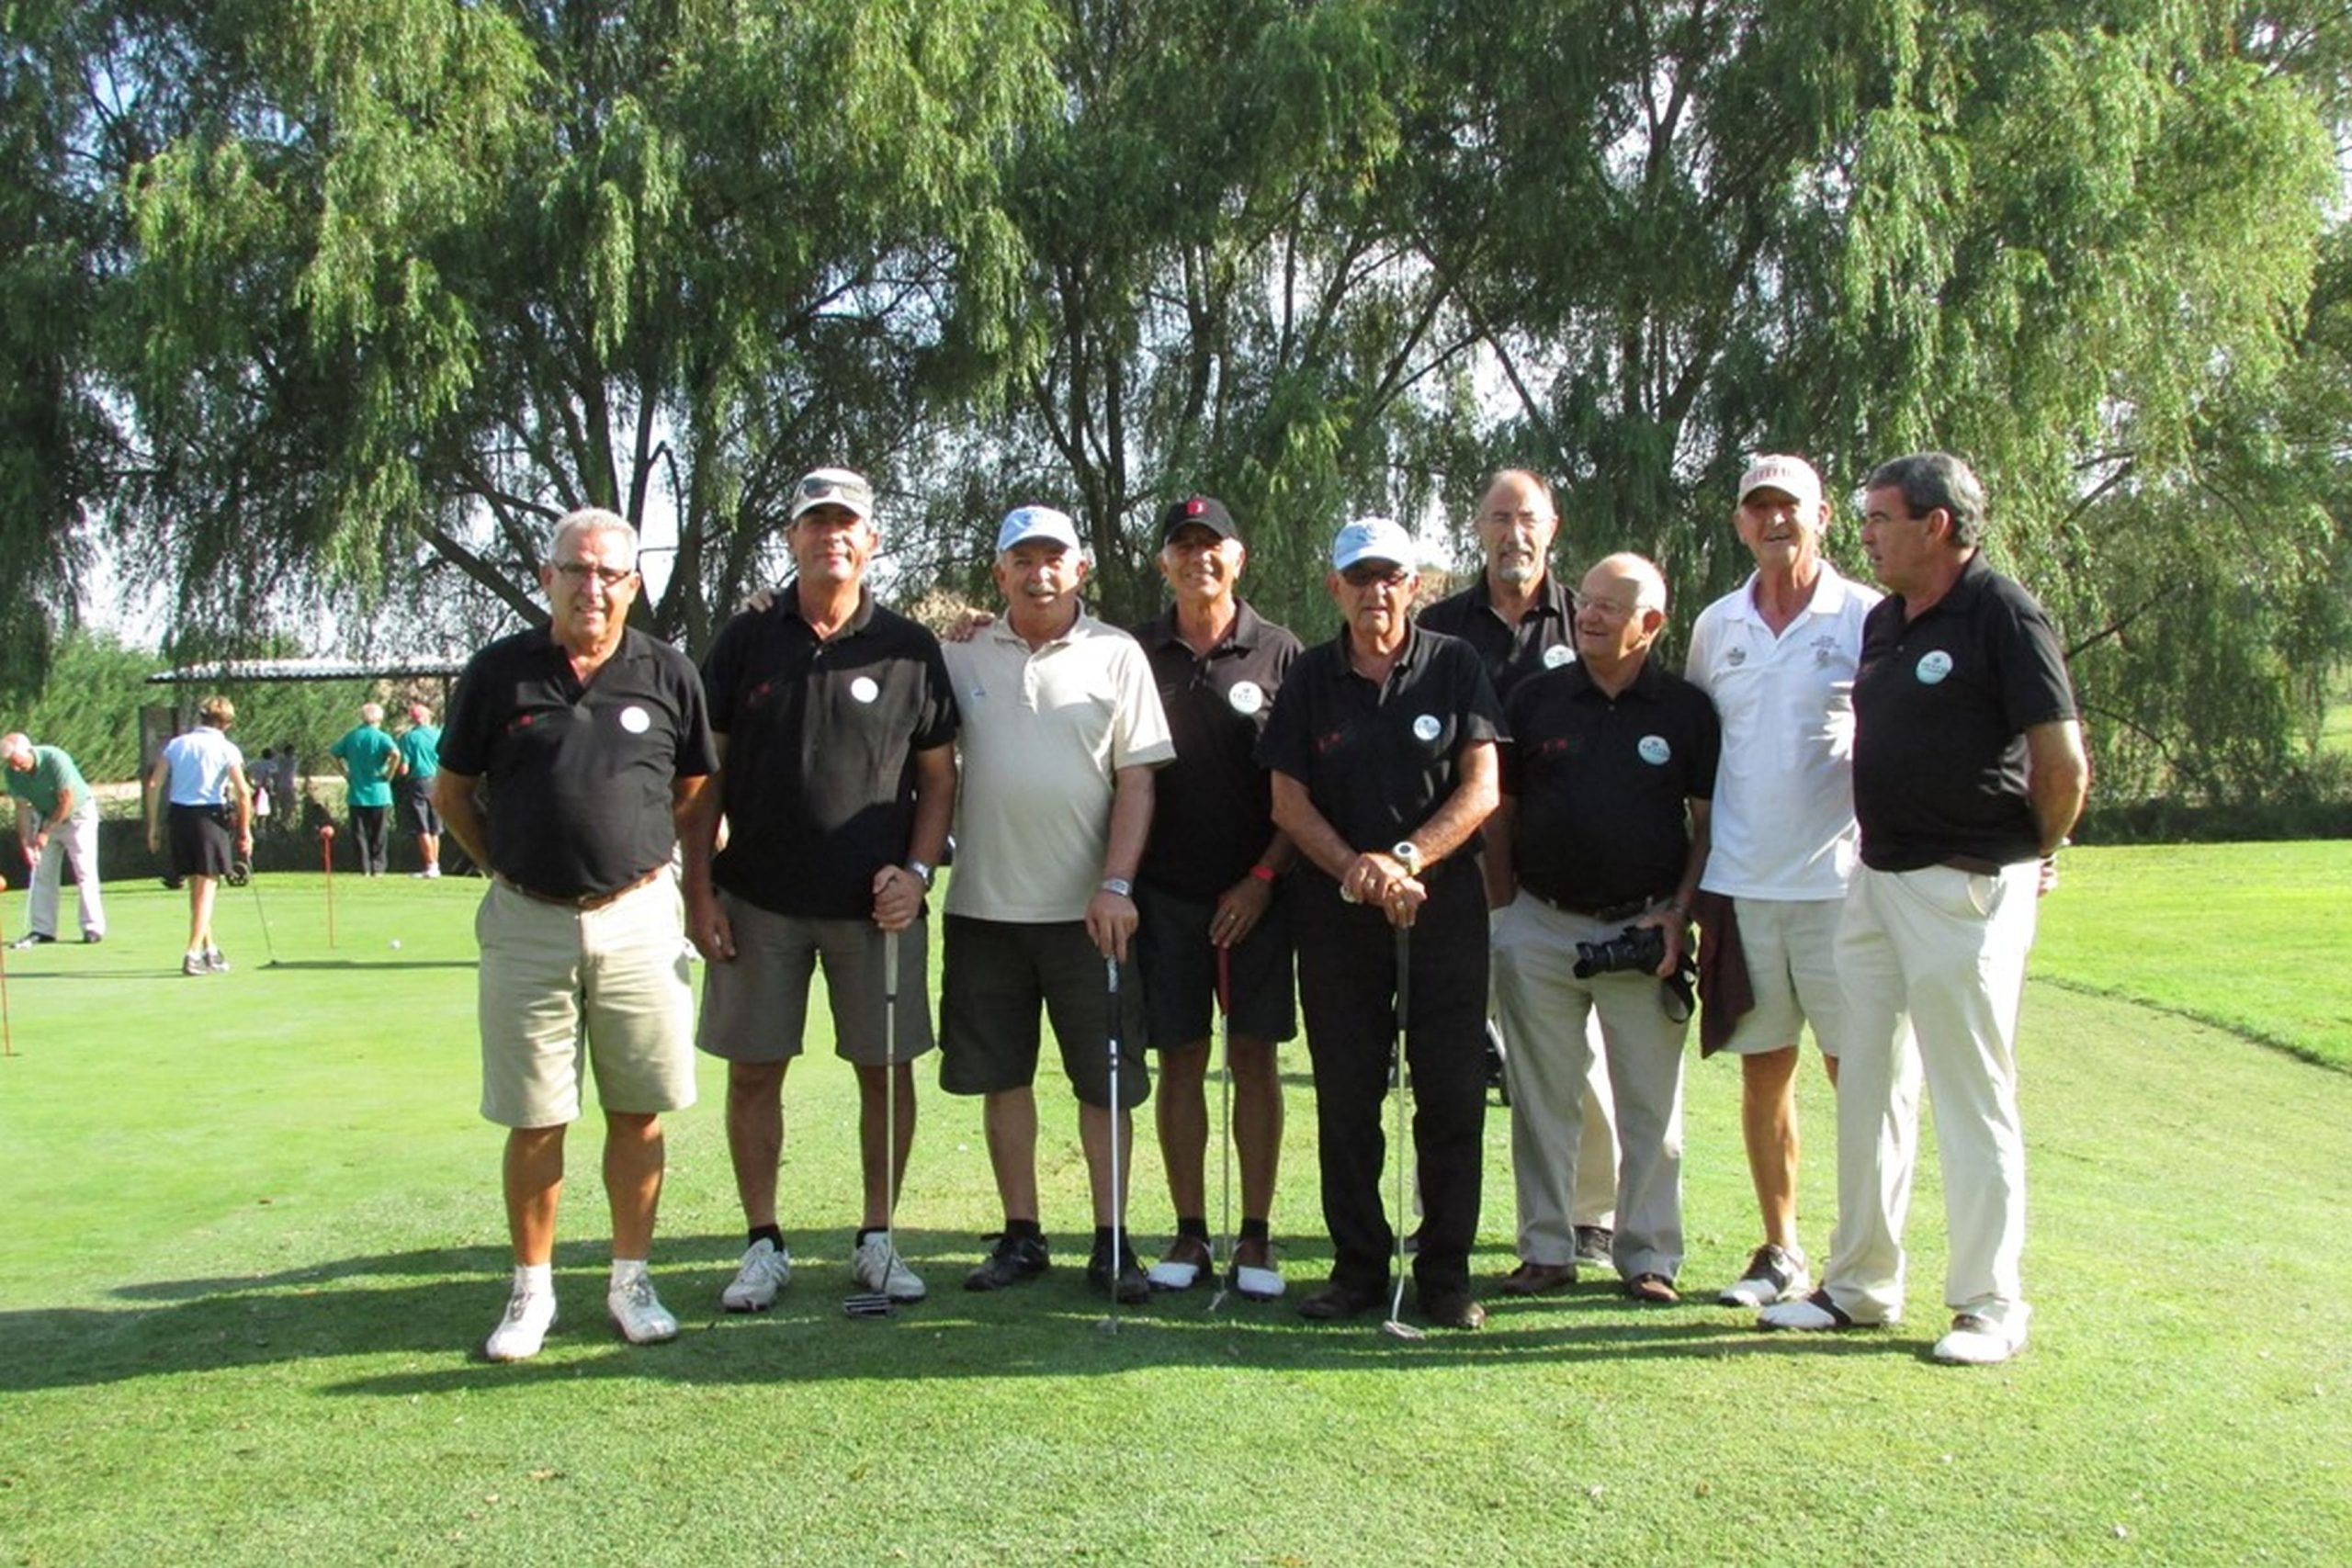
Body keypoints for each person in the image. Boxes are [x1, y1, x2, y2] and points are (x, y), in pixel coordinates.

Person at [1759, 452, 2088, 1366]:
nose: (1864, 533)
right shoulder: (1886, 620)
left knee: (1970, 1092)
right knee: (1868, 1082)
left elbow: (2061, 763)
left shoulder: (2002, 613)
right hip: (1875, 879)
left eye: (1879, 518)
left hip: (1966, 884)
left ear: (1936, 525)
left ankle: (1990, 1302)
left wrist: (2035, 852)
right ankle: (1859, 1284)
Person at [435, 508, 717, 1361]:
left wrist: (669, 879)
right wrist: (505, 864)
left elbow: (693, 794)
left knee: (638, 1114)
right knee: (535, 1118)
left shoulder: (668, 671)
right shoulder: (498, 673)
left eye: (609, 573)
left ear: (633, 584)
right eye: (576, 569)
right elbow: (453, 794)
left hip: (638, 918)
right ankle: (533, 1291)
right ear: (547, 578)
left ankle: (631, 1281)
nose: (591, 586)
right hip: (527, 920)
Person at [682, 467, 957, 1312]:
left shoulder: (910, 648)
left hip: (876, 908)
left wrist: (917, 873)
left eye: (847, 523)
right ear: (792, 538)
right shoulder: (745, 639)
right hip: (756, 900)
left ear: (871, 541)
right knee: (754, 1072)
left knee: (886, 1072)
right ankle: (763, 1241)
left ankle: (878, 1237)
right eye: (815, 522)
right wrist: (698, 891)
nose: (831, 535)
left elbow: (939, 778)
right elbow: (704, 778)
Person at [1260, 516, 1502, 1331]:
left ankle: (1445, 1275)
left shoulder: (1455, 663)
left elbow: (1481, 787)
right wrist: (1357, 871)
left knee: (1452, 1097)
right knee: (1347, 1098)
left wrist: (1404, 859)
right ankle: (1358, 1267)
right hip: (1338, 919)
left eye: (1390, 576)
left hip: (1445, 914)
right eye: (1360, 577)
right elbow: (1287, 801)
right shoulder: (1310, 676)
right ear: (1336, 587)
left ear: (1415, 584)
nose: (1376, 591)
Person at [939, 504, 1174, 1303]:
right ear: (999, 572)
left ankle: (1112, 1241)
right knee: (1003, 1079)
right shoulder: (959, 652)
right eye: (1022, 559)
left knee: (1104, 1083)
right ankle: (1022, 1234)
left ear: (1080, 570)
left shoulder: (1117, 653)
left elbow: (1137, 780)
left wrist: (1117, 883)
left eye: (1054, 558)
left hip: (1088, 916)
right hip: (984, 909)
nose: (1039, 573)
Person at [1685, 455, 1898, 1309]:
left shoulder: (1867, 615)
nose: (1775, 520)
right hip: (1744, 886)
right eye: (1759, 507)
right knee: (1764, 1073)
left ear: (1824, 515)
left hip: (1844, 890)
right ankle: (1782, 1250)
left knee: (1860, 1079)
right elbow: (1703, 756)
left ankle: (1863, 1259)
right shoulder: (1717, 624)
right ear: (1740, 522)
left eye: (1791, 506)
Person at [1487, 554, 1717, 1303]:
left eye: (1609, 607)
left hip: (1643, 930)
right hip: (1541, 922)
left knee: (1650, 1107)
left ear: (1650, 623)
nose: (1587, 615)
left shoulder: (1686, 709)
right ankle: (1546, 1248)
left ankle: (1647, 1255)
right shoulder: (1535, 697)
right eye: (1585, 601)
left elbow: (1707, 827)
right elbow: (1501, 812)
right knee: (1541, 1102)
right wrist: (1504, 912)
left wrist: (1678, 912)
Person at [1419, 468, 1622, 1274]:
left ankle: (1591, 1214)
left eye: (1528, 517)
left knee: (1581, 1062)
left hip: (1557, 881)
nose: (1514, 533)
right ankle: (1442, 1218)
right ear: (1477, 529)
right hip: (1455, 878)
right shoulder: (1438, 626)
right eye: (1499, 517)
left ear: (1553, 526)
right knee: (1448, 1056)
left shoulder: (1586, 618)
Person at [1126, 495, 1303, 1299]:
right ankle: (1191, 1230)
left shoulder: (1280, 651)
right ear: (1164, 561)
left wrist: (1263, 878)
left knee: (1254, 1058)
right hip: (1165, 895)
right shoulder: (1135, 650)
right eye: (1183, 544)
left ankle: (1256, 1234)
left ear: (1239, 556)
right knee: (1181, 1059)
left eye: (1212, 544)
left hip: (1259, 893)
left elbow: (1301, 788)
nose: (1198, 556)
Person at [142, 696, 253, 976]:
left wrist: (153, 826)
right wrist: (245, 830)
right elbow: (243, 793)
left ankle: (210, 949)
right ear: (227, 723)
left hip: (179, 817)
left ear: (201, 718)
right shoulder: (227, 748)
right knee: (206, 889)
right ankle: (192, 953)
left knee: (197, 888)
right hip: (209, 819)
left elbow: (154, 784)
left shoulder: (177, 744)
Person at [4, 733, 107, 946]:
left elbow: (66, 800)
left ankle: (92, 927)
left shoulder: (55, 759)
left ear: (29, 751)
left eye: (18, 763)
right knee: (42, 872)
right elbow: (22, 809)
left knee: (84, 871)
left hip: (78, 816)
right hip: (45, 816)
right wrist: (26, 843)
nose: (16, 769)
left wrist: (45, 832)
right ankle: (43, 930)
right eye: (11, 764)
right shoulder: (12, 773)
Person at [330, 703, 401, 874]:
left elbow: (332, 754)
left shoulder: (352, 736)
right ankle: (378, 867)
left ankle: (364, 867)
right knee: (379, 832)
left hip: (357, 792)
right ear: (379, 718)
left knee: (359, 833)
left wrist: (345, 773)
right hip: (379, 791)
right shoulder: (381, 737)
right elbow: (396, 754)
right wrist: (389, 773)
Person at [395, 703, 444, 877]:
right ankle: (435, 865)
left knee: (422, 826)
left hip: (418, 782)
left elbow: (404, 769)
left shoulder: (408, 738)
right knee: (435, 826)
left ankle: (431, 865)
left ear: (412, 719)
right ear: (428, 716)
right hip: (438, 780)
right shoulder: (439, 734)